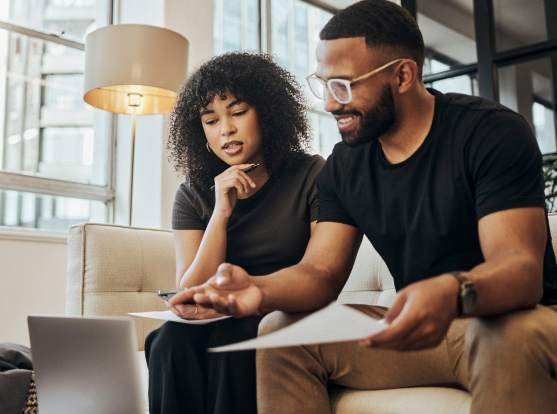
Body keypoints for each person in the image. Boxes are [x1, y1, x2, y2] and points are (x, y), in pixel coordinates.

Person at [171, 1, 557, 413]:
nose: (331, 104)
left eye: (344, 85)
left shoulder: (488, 133)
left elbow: (520, 270)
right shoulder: (346, 165)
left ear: (403, 75)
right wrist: (258, 289)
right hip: (417, 331)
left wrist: (450, 290)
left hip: (515, 318)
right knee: (281, 331)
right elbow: (320, 273)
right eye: (324, 85)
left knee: (508, 334)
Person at [145, 52, 325, 414]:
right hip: (217, 313)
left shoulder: (311, 174)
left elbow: (319, 274)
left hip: (283, 310)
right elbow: (189, 292)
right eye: (211, 120)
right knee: (168, 339)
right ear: (203, 134)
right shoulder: (193, 192)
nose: (225, 128)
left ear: (268, 113)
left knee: (234, 339)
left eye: (238, 113)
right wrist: (221, 213)